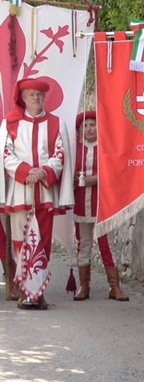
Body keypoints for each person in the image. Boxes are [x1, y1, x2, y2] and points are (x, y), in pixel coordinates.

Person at [0, 77, 74, 310]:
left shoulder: (56, 123)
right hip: (20, 191)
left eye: (40, 94)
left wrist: (43, 171)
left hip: (44, 190)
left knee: (42, 240)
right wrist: (25, 171)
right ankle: (24, 291)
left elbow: (61, 153)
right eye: (32, 94)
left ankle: (38, 292)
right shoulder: (9, 123)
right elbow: (5, 153)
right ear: (23, 98)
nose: (37, 98)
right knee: (20, 240)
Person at [72, 110, 129, 302]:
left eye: (92, 124)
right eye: (85, 125)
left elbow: (116, 171)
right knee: (84, 244)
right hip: (81, 203)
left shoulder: (106, 148)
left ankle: (114, 286)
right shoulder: (76, 150)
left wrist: (97, 178)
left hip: (102, 203)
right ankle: (83, 286)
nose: (89, 128)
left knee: (106, 245)